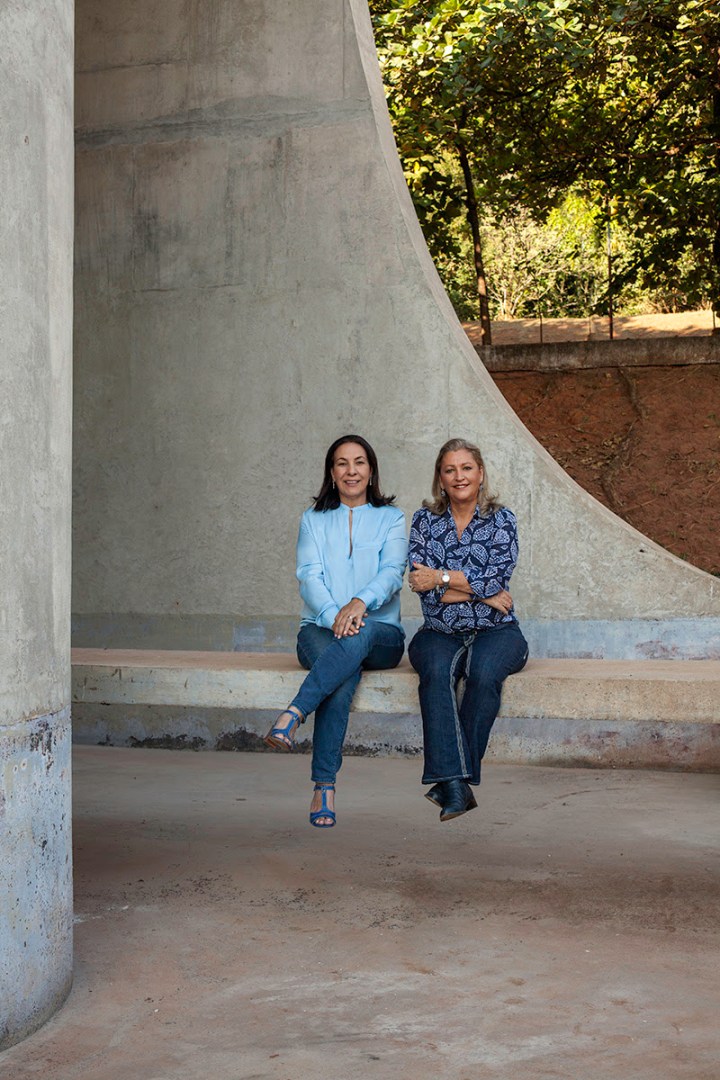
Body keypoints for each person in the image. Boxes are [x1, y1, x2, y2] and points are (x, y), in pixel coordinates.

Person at [263, 435, 407, 828]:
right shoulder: (313, 519)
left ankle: (294, 712)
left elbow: (392, 573)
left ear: (371, 470)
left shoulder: (392, 518)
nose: (351, 471)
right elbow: (308, 576)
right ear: (331, 472)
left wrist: (358, 605)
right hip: (319, 630)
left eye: (359, 462)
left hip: (381, 634)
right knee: (342, 676)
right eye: (342, 463)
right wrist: (334, 617)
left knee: (357, 640)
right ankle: (323, 786)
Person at [407, 438, 529, 822]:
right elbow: (424, 589)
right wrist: (483, 592)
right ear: (440, 478)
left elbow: (497, 578)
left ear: (480, 473)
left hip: (498, 631)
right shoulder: (425, 521)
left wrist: (443, 577)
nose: (459, 476)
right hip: (438, 632)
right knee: (435, 673)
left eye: (466, 468)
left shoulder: (502, 520)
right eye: (450, 470)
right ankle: (457, 786)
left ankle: (451, 783)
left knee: (484, 674)